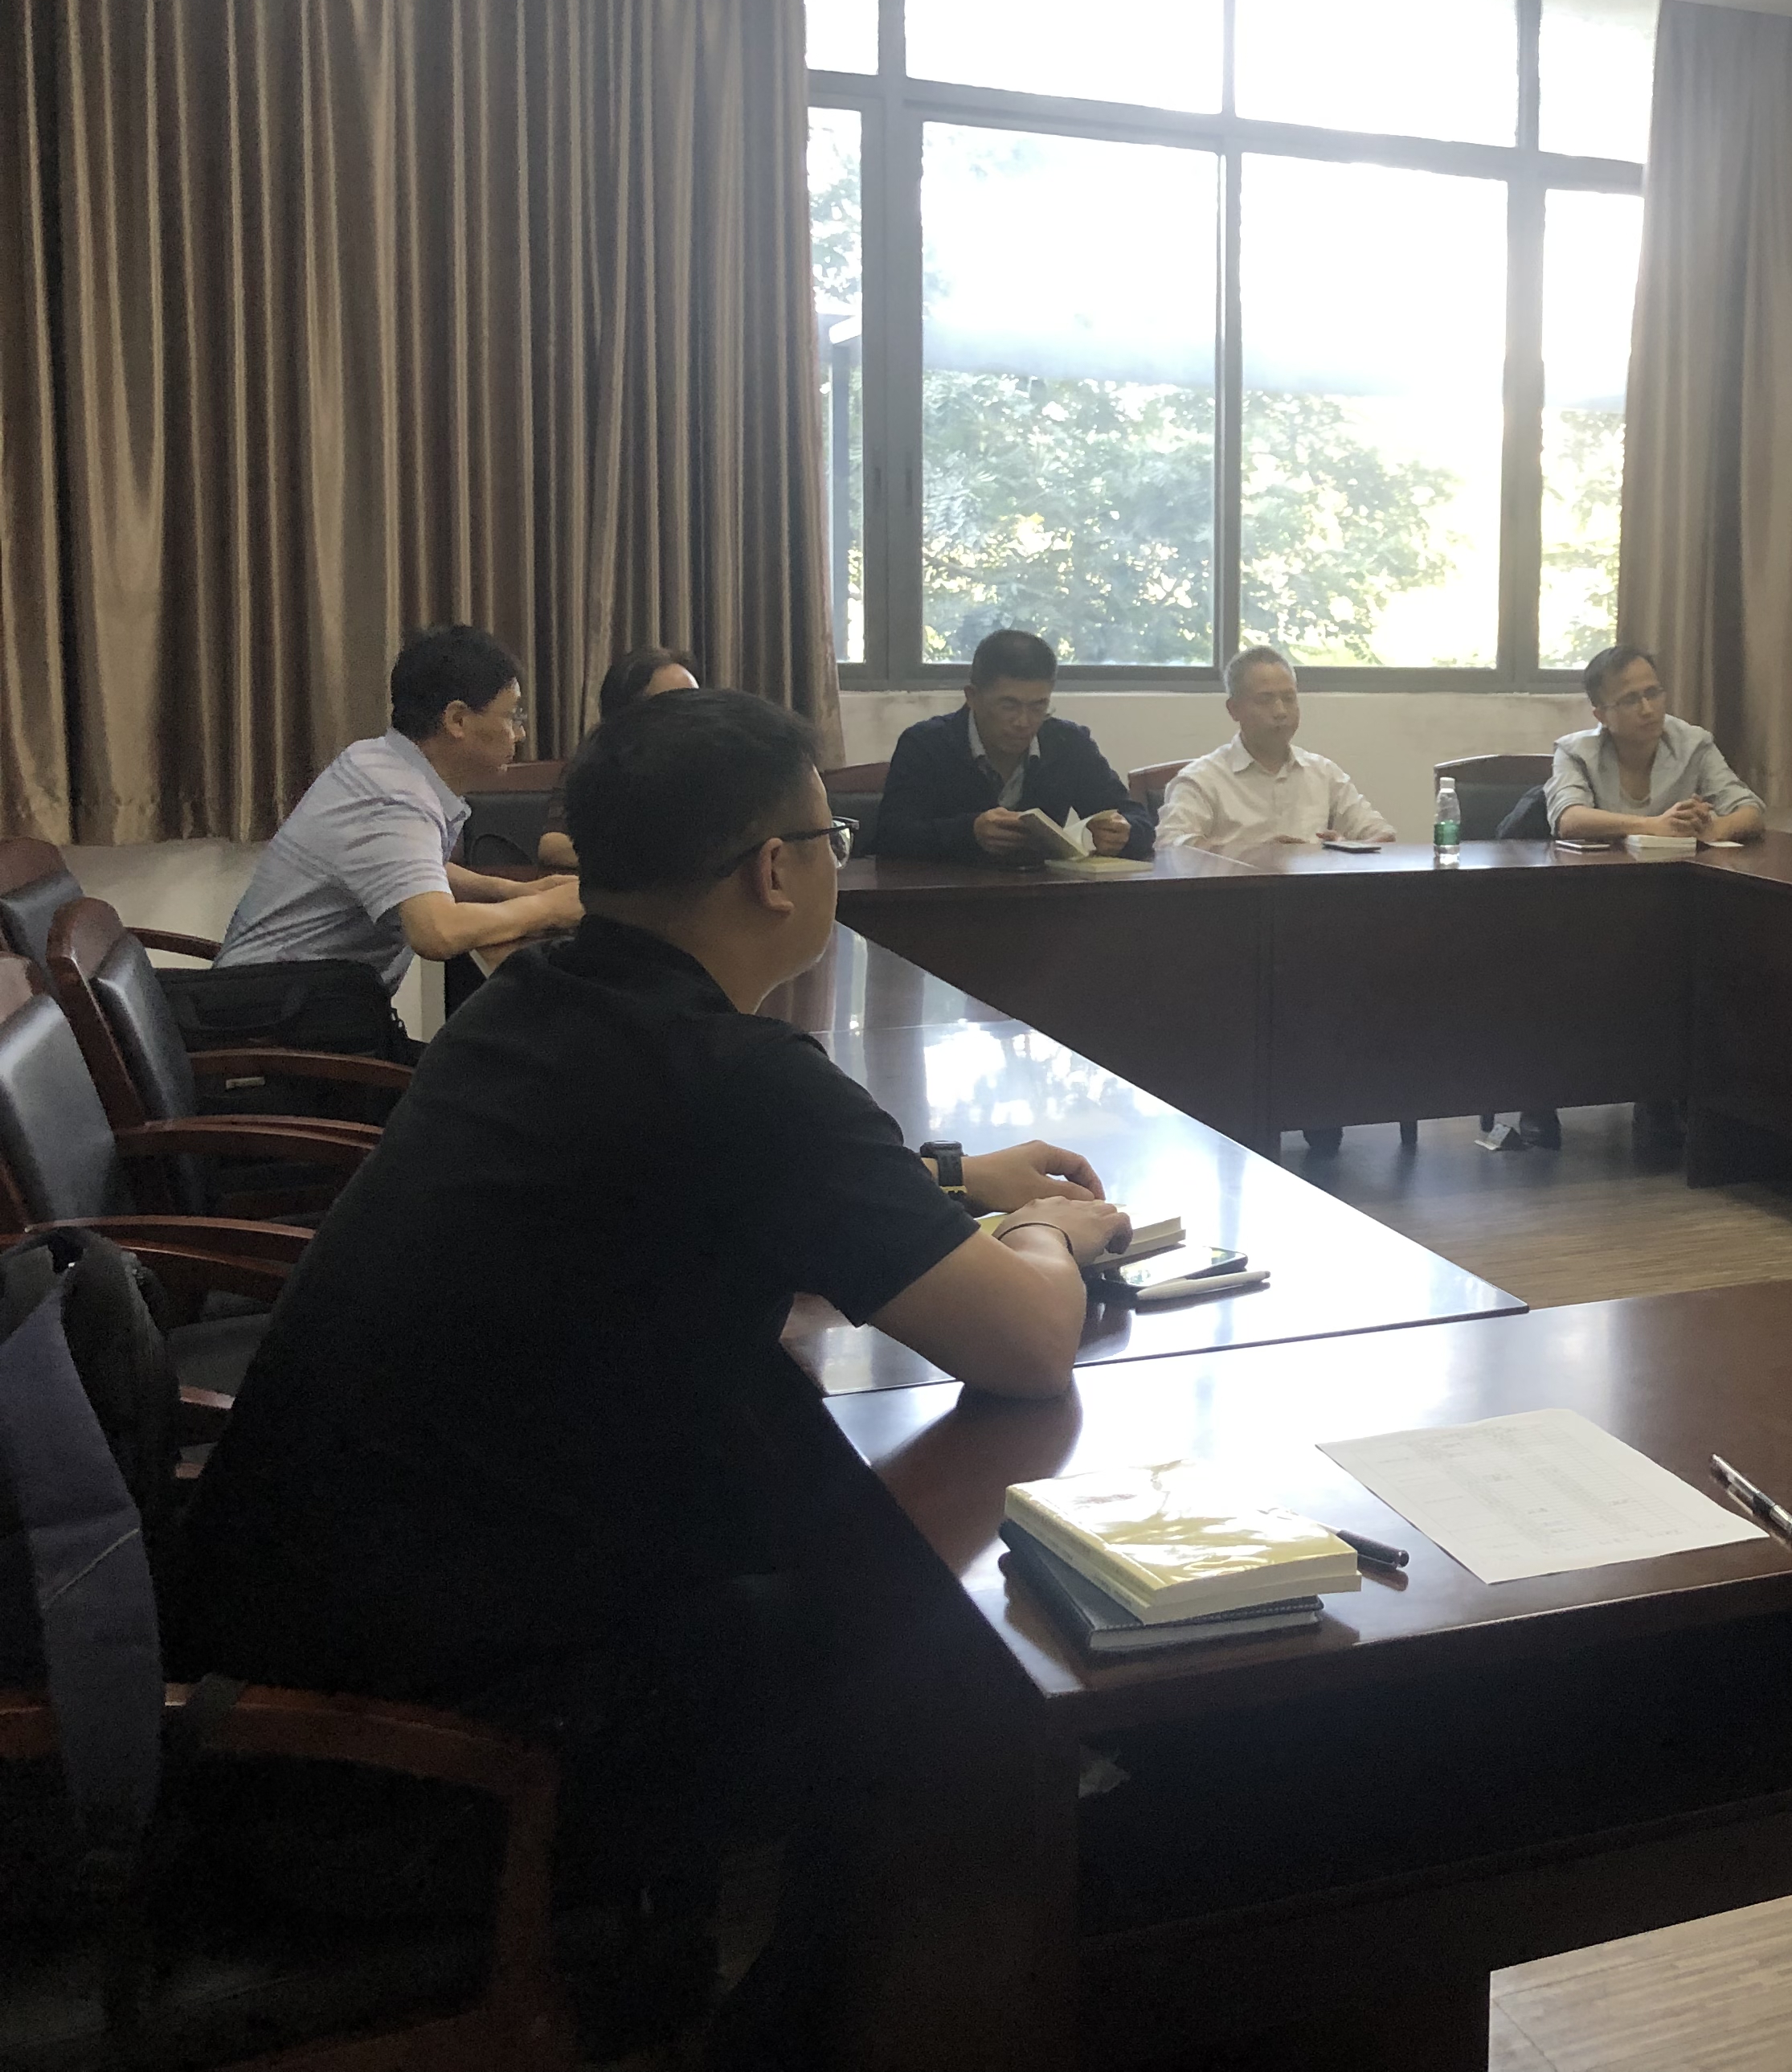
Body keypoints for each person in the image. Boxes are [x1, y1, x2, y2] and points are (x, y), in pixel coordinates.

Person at [176, 687, 1128, 2065]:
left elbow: (690, 1181)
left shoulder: (536, 1000)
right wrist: (1048, 1234)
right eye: (832, 835)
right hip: (422, 1766)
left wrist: (943, 1178)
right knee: (936, 1686)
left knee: (844, 1556)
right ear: (775, 868)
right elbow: (1027, 1343)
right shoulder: (732, 1075)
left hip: (299, 1671)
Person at [213, 624, 585, 1003]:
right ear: (457, 720)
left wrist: (512, 891)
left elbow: (415, 868)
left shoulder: (379, 760)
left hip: (280, 1002)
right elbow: (437, 933)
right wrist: (547, 908)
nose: (520, 734)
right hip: (272, 1021)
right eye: (512, 716)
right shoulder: (394, 796)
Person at [873, 629, 1154, 865]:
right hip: (947, 900)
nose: (1023, 722)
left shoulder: (1069, 743)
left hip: (1043, 899)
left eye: (1038, 706)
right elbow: (890, 837)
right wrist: (970, 832)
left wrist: (1124, 833)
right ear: (972, 697)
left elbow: (1138, 818)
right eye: (1008, 705)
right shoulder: (926, 744)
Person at [1154, 646, 1393, 856]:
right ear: (1234, 709)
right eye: (1265, 700)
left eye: (1289, 698)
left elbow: (1383, 836)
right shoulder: (1202, 780)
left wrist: (1343, 848)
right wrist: (1255, 853)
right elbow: (1169, 848)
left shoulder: (1324, 773)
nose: (1280, 711)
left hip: (1313, 892)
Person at [1548, 645, 1765, 845]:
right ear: (1601, 715)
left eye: (1652, 694)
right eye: (1630, 700)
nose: (1648, 709)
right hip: (1603, 870)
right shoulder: (1574, 752)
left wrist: (1714, 829)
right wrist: (1654, 826)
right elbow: (1568, 819)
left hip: (1678, 870)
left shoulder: (1694, 743)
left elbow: (1750, 810)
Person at [534, 645, 700, 870]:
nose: (693, 715)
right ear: (628, 714)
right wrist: (649, 861)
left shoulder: (715, 763)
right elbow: (553, 846)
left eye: (696, 701)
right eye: (675, 705)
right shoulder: (597, 764)